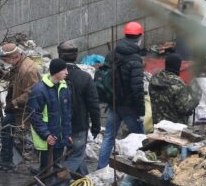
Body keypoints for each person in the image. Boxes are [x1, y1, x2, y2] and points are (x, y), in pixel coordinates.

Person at [98, 22, 146, 169]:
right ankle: (139, 169)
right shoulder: (135, 59)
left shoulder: (113, 52)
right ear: (139, 37)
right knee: (140, 138)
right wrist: (141, 112)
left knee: (109, 137)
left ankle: (101, 167)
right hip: (128, 105)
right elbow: (137, 88)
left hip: (113, 102)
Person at [0, 43, 40, 170]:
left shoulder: (28, 70)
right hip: (19, 107)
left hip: (26, 109)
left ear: (14, 57)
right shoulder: (19, 65)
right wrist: (2, 74)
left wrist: (14, 103)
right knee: (7, 125)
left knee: (37, 133)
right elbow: (16, 79)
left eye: (6, 60)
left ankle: (7, 159)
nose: (5, 63)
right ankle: (6, 157)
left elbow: (32, 92)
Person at [58, 41, 102, 175]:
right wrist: (96, 126)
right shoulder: (85, 77)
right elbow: (93, 104)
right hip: (78, 124)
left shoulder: (53, 77)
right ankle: (59, 181)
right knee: (76, 155)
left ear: (59, 55)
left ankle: (84, 180)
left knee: (76, 153)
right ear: (76, 56)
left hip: (58, 124)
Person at [28, 59, 72, 173]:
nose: (67, 72)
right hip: (48, 137)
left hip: (60, 136)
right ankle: (43, 181)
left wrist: (67, 134)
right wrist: (46, 135)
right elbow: (34, 116)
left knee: (57, 166)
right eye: (64, 70)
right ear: (56, 71)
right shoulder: (39, 90)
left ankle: (56, 182)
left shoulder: (64, 87)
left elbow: (67, 113)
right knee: (46, 168)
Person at [149, 53, 199, 126]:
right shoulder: (178, 84)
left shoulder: (154, 79)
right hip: (174, 126)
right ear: (178, 66)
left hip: (157, 123)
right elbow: (184, 109)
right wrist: (195, 100)